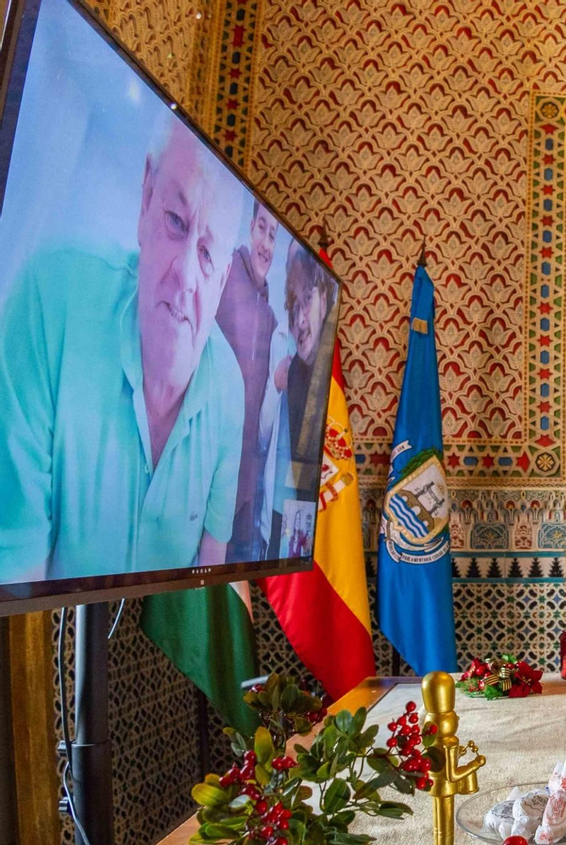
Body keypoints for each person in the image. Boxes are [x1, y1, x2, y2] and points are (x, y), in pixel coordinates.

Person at [0, 121, 245, 581]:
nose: (186, 274)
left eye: (208, 254)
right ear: (146, 198)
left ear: (224, 279)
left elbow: (214, 573)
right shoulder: (49, 298)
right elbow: (15, 594)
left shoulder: (231, 387)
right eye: (176, 221)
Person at [258, 242, 334, 554]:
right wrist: (276, 386)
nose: (301, 318)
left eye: (308, 298)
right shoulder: (278, 341)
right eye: (295, 303)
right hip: (274, 509)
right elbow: (262, 436)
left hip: (306, 509)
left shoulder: (324, 359)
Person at [215, 200, 279, 563]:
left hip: (244, 483)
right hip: (208, 469)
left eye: (273, 236)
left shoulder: (270, 317)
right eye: (262, 230)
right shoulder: (223, 276)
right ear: (250, 227)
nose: (266, 244)